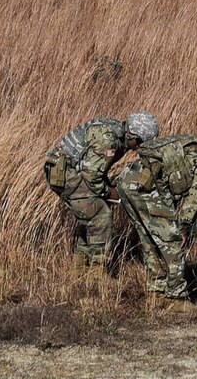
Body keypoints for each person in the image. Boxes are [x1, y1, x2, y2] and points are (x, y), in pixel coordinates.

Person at [117, 119, 197, 306]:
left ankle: (157, 289)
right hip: (146, 188)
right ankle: (176, 297)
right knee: (172, 240)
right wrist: (184, 226)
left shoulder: (193, 142)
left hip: (127, 180)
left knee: (149, 237)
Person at [44, 111, 159, 274]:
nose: (139, 147)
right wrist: (112, 193)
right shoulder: (109, 140)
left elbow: (94, 169)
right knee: (101, 216)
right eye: (140, 142)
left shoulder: (117, 132)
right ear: (131, 134)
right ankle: (96, 273)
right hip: (63, 172)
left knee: (92, 211)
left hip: (68, 169)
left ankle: (79, 268)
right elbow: (91, 177)